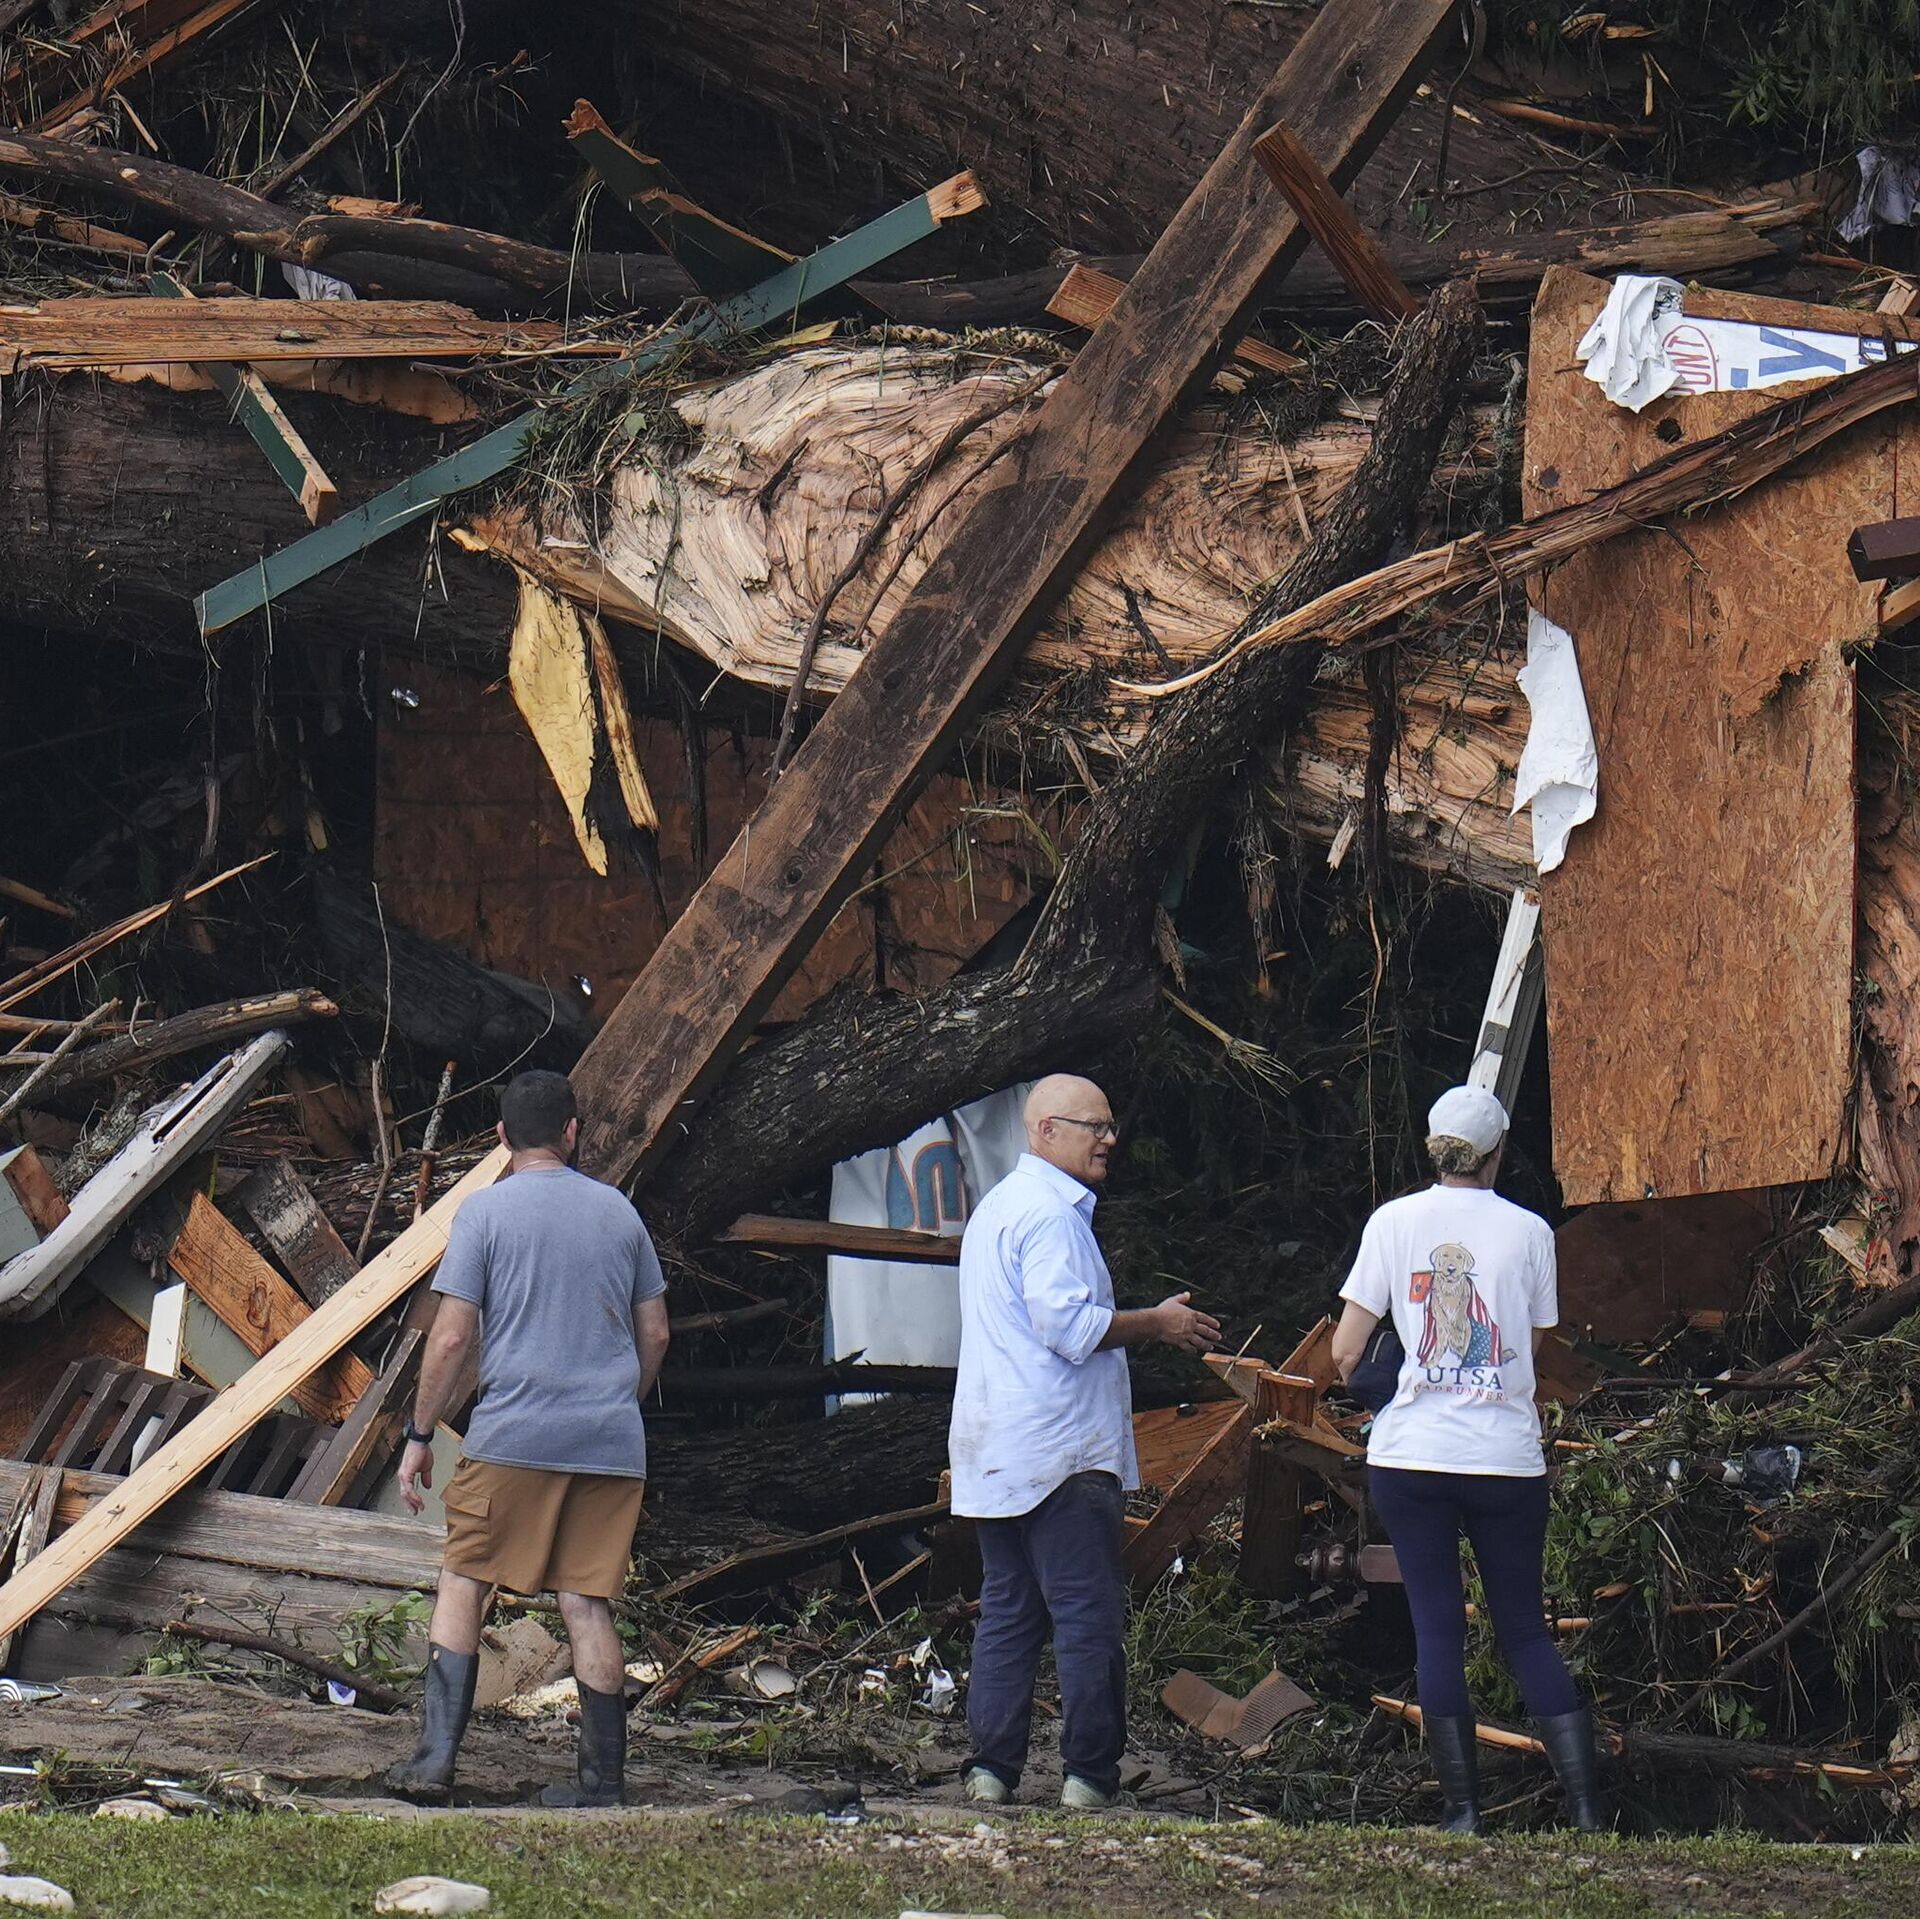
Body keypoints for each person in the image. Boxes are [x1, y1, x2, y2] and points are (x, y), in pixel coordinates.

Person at [384, 1069, 671, 1808]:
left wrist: (420, 1432)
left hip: (514, 1434)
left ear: (502, 1137)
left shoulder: (484, 1213)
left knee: (464, 1578)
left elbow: (452, 1338)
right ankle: (603, 1784)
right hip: (610, 1442)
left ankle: (433, 1765)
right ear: (572, 1132)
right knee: (587, 1601)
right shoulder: (620, 1213)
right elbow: (657, 1333)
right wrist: (617, 1404)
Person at [1330, 1084, 1603, 1834]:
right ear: (1498, 1151)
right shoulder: (1531, 1231)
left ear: (1434, 1147)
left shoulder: (1393, 1222)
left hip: (1412, 1460)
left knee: (1438, 1630)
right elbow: (1530, 1347)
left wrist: (1394, 1384)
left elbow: (1346, 1351)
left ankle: (1463, 1811)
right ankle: (1586, 1808)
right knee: (1524, 1630)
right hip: (1505, 1462)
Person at [949, 1072, 1221, 1811]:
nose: (1109, 1139)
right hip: (1061, 1451)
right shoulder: (1051, 1216)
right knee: (1086, 1615)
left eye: (1109, 1125)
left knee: (1009, 1611)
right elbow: (1068, 1327)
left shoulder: (998, 1208)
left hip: (998, 1449)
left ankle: (989, 1772)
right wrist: (1158, 1322)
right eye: (1093, 1127)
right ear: (1046, 1131)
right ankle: (1088, 1779)